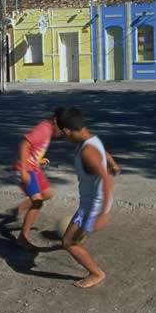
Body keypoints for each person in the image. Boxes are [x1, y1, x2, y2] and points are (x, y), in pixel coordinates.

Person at [55, 106, 120, 288]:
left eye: (62, 133)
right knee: (78, 235)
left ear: (67, 130)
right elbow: (103, 154)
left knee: (67, 242)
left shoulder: (86, 152)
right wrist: (113, 163)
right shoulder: (92, 140)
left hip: (93, 206)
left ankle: (96, 273)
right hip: (95, 202)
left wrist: (102, 215)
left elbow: (106, 180)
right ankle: (82, 234)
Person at [13, 109, 63, 250]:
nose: (63, 133)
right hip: (25, 167)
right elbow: (24, 144)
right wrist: (23, 170)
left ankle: (20, 208)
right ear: (55, 121)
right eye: (63, 129)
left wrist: (38, 160)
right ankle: (22, 238)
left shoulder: (48, 129)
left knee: (47, 193)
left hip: (33, 165)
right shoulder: (44, 129)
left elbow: (34, 148)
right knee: (37, 202)